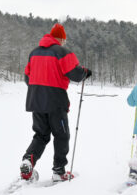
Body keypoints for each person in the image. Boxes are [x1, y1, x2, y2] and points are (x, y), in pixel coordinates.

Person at [20, 23, 92, 182]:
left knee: (41, 135)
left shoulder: (34, 53)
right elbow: (74, 73)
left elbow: (27, 77)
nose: (64, 42)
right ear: (60, 38)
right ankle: (59, 171)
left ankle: (28, 160)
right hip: (55, 101)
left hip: (36, 100)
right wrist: (85, 72)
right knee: (61, 135)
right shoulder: (62, 52)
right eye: (64, 39)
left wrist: (39, 88)